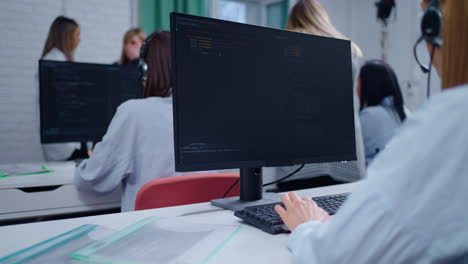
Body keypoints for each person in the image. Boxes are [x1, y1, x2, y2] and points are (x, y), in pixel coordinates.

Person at [275, 0, 468, 263]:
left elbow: (334, 256)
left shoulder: (451, 122)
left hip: (299, 159)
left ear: (436, 26)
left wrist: (307, 226)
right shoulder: (348, 49)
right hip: (345, 161)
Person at [75, 31, 212, 212]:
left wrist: (82, 165)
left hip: (147, 233)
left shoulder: (133, 112)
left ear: (144, 70)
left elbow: (93, 179)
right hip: (204, 232)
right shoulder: (210, 115)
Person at [274, 0, 365, 188]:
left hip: (299, 155)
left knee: (297, 212)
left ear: (293, 19)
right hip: (343, 150)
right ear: (321, 18)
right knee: (336, 210)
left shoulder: (287, 44)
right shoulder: (348, 48)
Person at [40, 16, 83, 161]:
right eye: (77, 35)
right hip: (64, 145)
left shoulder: (56, 60)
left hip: (67, 141)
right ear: (67, 37)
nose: (79, 39)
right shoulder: (54, 61)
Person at [358, 60, 407, 165]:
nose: (357, 86)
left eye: (359, 81)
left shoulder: (368, 116)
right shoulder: (405, 112)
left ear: (368, 84)